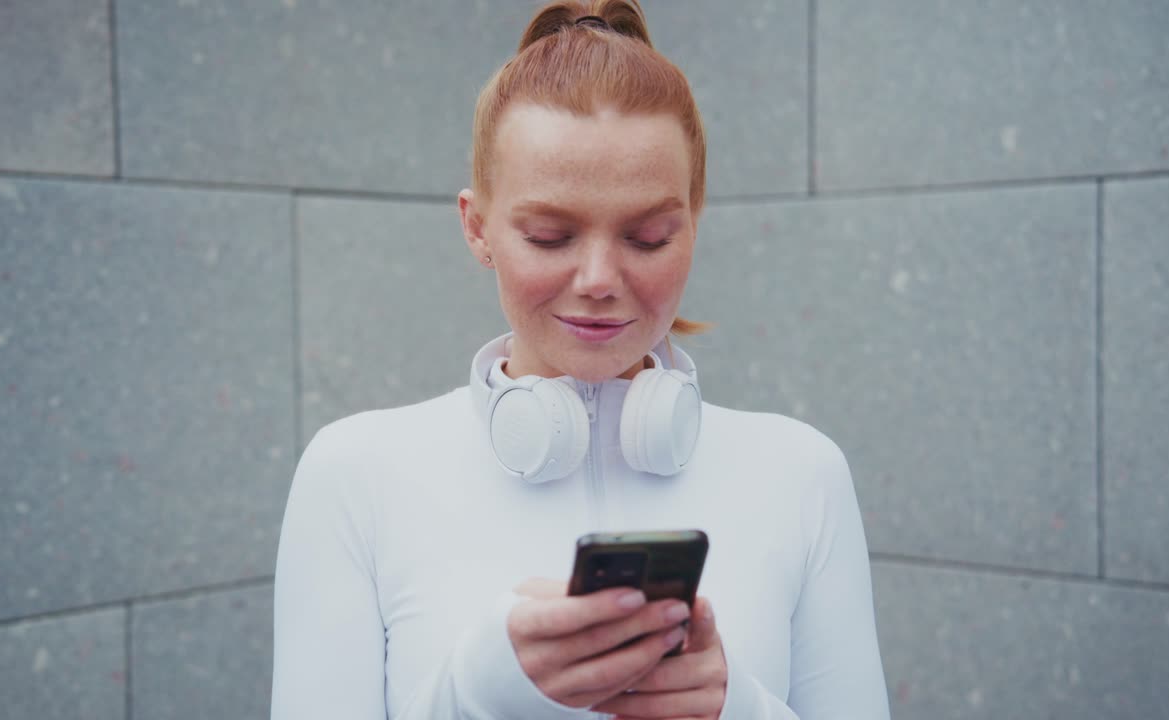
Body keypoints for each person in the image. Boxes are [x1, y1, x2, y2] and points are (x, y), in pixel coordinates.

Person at [270, 1, 890, 718]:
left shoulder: (802, 473)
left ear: (694, 223)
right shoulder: (354, 475)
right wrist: (476, 694)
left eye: (649, 237)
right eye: (549, 235)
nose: (598, 278)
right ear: (477, 228)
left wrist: (738, 709)